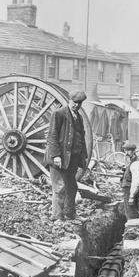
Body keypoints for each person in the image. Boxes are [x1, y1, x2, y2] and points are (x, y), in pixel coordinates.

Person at [45, 90, 88, 221]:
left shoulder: (78, 117)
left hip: (73, 159)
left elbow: (81, 137)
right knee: (59, 187)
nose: (76, 106)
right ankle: (58, 217)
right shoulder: (59, 114)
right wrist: (56, 156)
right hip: (60, 158)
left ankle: (70, 214)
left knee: (72, 187)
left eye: (79, 103)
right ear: (70, 101)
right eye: (75, 103)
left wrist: (83, 157)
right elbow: (52, 136)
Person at [121, 141, 139, 220]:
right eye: (125, 151)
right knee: (129, 213)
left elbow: (136, 182)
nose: (126, 153)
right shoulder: (131, 162)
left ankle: (132, 229)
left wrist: (131, 196)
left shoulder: (136, 164)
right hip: (128, 192)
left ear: (133, 151)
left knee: (131, 214)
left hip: (131, 192)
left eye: (128, 151)